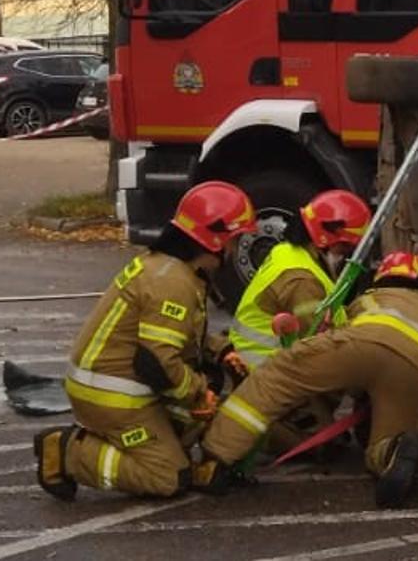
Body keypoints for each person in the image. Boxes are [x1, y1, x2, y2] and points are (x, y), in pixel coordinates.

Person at [193, 251, 418, 507]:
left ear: (382, 278)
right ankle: (393, 450)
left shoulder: (368, 299)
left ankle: (215, 458)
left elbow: (340, 360)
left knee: (277, 377)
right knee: (386, 442)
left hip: (358, 343)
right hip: (414, 368)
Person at [32, 181, 256, 500]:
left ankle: (158, 444)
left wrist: (221, 352)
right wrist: (198, 394)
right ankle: (67, 452)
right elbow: (156, 363)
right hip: (114, 396)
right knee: (168, 477)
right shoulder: (173, 282)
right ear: (216, 238)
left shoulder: (173, 269)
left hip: (116, 385)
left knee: (204, 391)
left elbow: (179, 334)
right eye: (236, 239)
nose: (237, 248)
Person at [226, 189, 372, 372]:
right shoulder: (301, 281)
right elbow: (318, 344)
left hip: (254, 357)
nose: (345, 254)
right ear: (327, 237)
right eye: (344, 247)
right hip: (263, 368)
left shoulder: (288, 251)